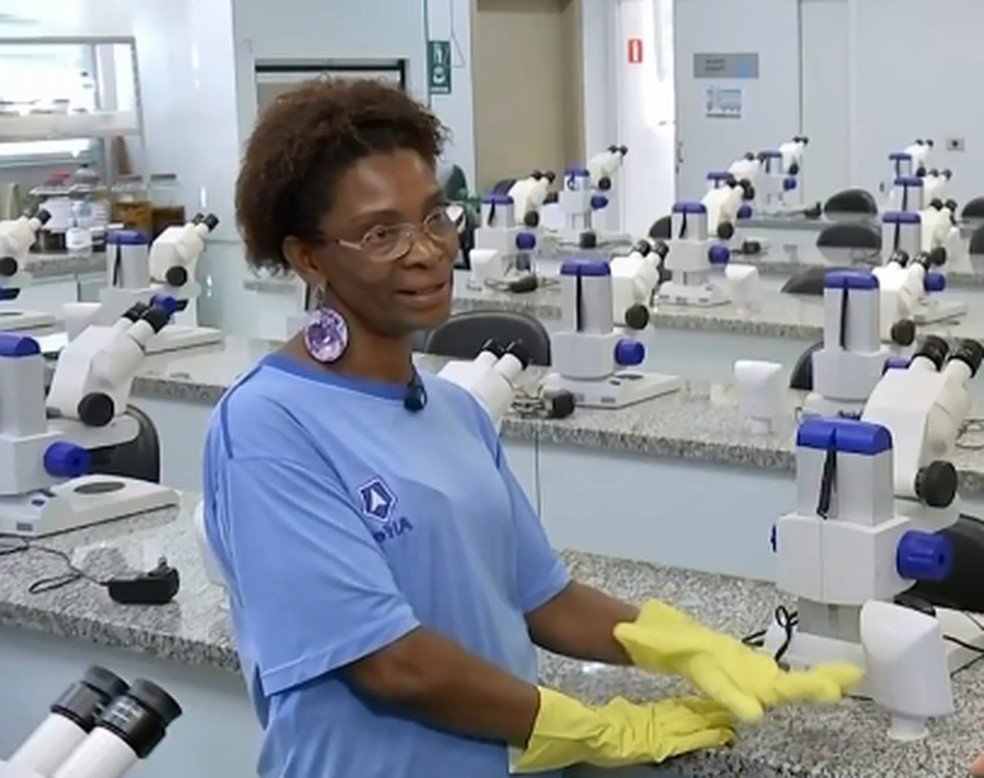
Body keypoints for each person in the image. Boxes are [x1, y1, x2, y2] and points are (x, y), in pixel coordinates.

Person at [202, 78, 860, 778]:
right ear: (308, 257)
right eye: (380, 233)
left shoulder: (453, 409)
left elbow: (542, 597)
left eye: (434, 218)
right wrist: (592, 728)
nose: (426, 250)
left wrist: (682, 644)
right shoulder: (268, 425)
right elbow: (389, 662)